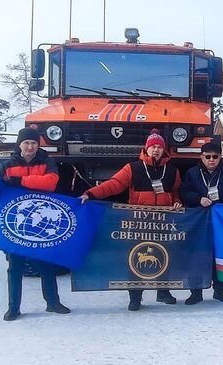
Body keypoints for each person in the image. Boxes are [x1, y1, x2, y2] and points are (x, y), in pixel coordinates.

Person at [0, 127, 70, 321]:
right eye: (26, 143)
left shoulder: (48, 163)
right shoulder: (6, 166)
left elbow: (50, 183)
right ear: (20, 144)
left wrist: (20, 181)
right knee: (15, 267)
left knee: (46, 266)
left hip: (41, 224)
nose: (30, 147)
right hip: (16, 224)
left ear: (38, 145)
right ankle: (13, 307)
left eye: (33, 143)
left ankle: (52, 303)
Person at [80, 129, 182, 311]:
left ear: (164, 150)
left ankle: (163, 292)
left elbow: (176, 193)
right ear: (146, 149)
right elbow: (114, 184)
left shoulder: (172, 171)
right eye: (153, 147)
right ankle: (135, 296)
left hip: (164, 220)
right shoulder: (133, 168)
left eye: (159, 147)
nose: (156, 150)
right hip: (138, 221)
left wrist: (177, 203)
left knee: (164, 256)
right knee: (136, 257)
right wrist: (91, 193)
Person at [180, 142, 223, 305]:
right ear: (202, 157)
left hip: (220, 223)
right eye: (207, 156)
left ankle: (219, 290)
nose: (211, 160)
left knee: (219, 256)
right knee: (197, 256)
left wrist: (222, 203)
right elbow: (184, 192)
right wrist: (198, 199)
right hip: (198, 222)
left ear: (220, 157)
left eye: (215, 156)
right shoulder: (192, 173)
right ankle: (196, 292)